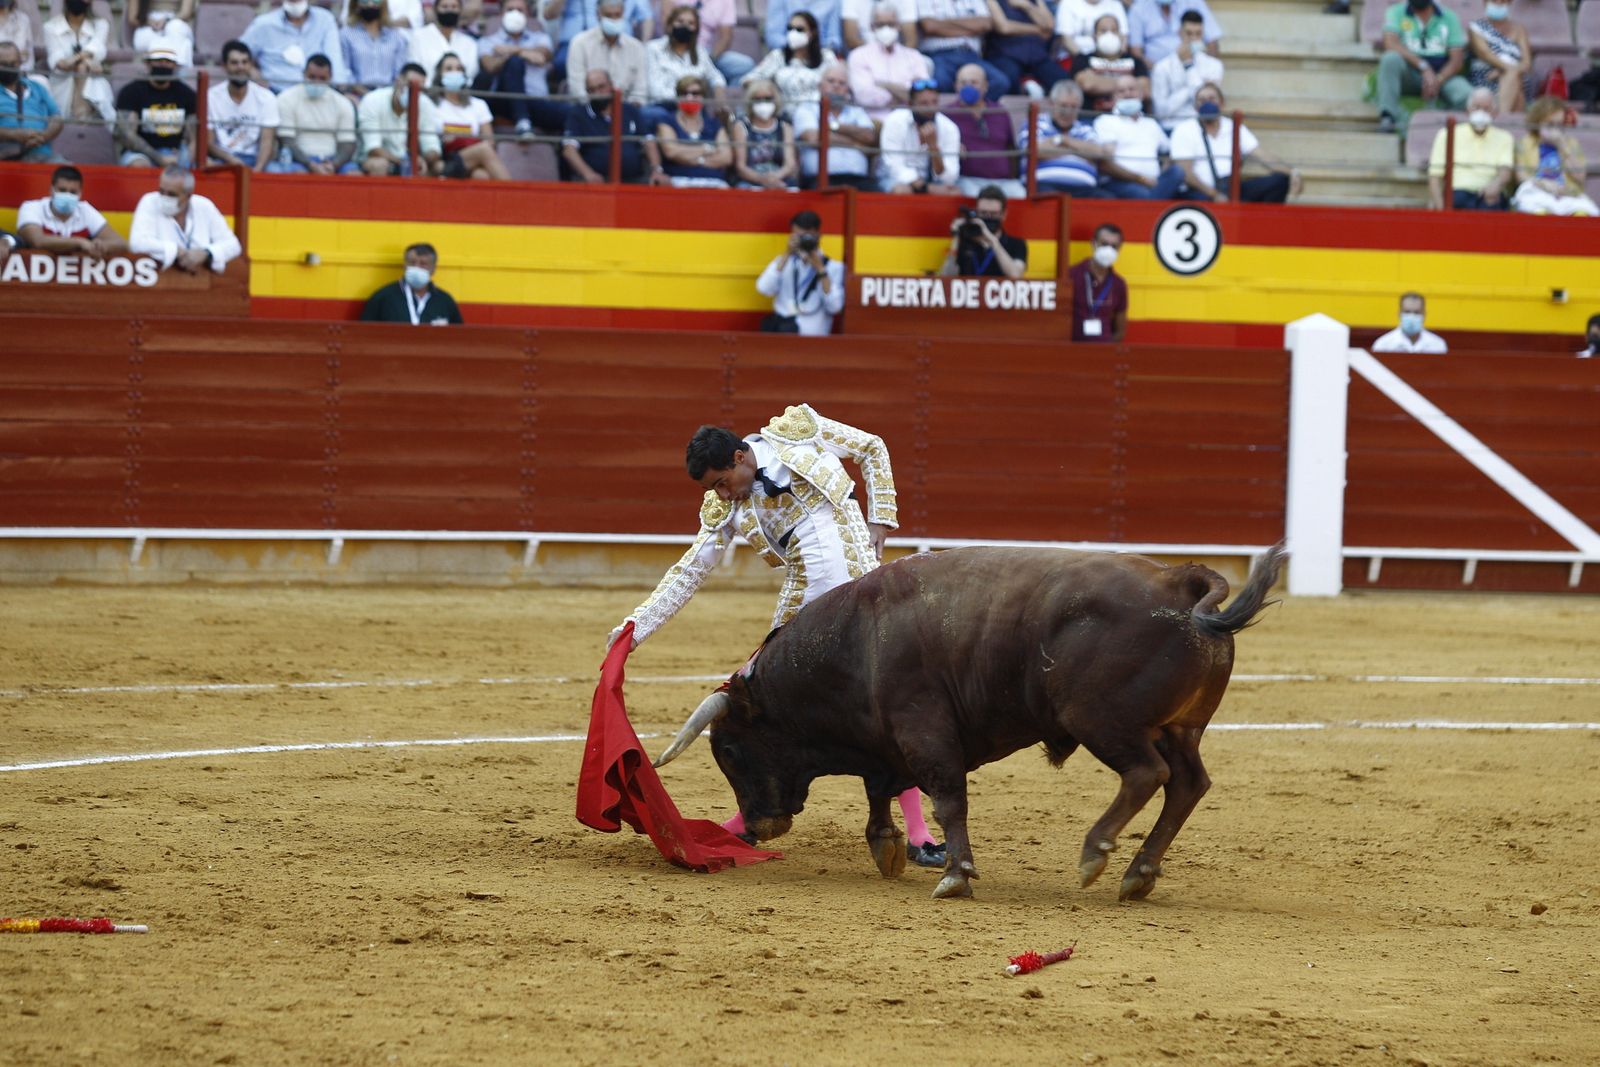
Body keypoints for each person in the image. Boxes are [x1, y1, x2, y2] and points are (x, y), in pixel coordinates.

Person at [608, 409, 947, 869]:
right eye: (714, 489)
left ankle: (920, 833)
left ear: (741, 455)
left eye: (724, 481)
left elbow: (872, 447)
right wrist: (635, 627)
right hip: (802, 610)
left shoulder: (797, 432)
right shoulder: (727, 506)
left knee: (890, 703)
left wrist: (880, 522)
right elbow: (689, 571)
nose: (723, 493)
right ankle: (754, 813)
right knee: (758, 707)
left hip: (867, 590)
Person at [1170, 82, 1299, 202]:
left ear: (1222, 103)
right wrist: (1214, 195)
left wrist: (1292, 172)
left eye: (1211, 99)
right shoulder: (1184, 129)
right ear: (1195, 107)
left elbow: (1262, 156)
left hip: (1231, 190)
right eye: (1202, 100)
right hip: (1199, 193)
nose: (1207, 103)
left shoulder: (1233, 126)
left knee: (1280, 181)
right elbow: (1185, 173)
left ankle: (1260, 225)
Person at [1375, 0, 1470, 135]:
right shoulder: (1396, 11)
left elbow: (1457, 60)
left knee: (1466, 94)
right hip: (1409, 73)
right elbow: (1391, 44)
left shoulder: (1449, 16)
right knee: (1390, 59)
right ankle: (1387, 118)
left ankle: (1444, 127)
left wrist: (1437, 79)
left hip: (1442, 76)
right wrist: (1424, 67)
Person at [560, 67, 670, 182]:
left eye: (601, 87)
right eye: (591, 90)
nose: (597, 93)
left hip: (634, 179)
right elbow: (569, 150)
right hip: (595, 182)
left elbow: (648, 141)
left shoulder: (630, 110)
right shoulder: (578, 113)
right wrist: (588, 174)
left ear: (611, 85)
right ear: (587, 92)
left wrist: (657, 170)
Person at [128, 165, 242, 274]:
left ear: (188, 195)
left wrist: (206, 253)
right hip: (160, 283)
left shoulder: (204, 206)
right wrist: (177, 251)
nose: (164, 197)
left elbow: (233, 245)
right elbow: (137, 243)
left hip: (202, 283)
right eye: (161, 191)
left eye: (172, 194)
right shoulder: (150, 201)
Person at [474, 0, 563, 139]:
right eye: (510, 10)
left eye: (520, 10)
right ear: (501, 13)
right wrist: (517, 56)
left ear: (528, 14)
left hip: (536, 101)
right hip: (504, 102)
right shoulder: (487, 41)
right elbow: (489, 66)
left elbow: (542, 56)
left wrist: (511, 50)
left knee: (571, 114)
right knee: (514, 63)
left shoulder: (541, 38)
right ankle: (522, 121)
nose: (515, 13)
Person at [1092, 74, 1184, 199]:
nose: (1127, 94)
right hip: (1120, 182)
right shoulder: (1106, 121)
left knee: (1177, 172)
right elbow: (1106, 164)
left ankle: (1154, 202)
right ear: (1114, 98)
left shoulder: (1151, 123)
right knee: (1143, 195)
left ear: (1141, 94)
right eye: (1121, 91)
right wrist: (1140, 179)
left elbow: (1169, 152)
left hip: (1153, 183)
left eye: (1132, 89)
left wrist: (1160, 173)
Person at [756, 209, 845, 334]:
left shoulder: (833, 267)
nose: (804, 242)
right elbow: (763, 289)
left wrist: (821, 269)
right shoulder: (783, 262)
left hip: (813, 343)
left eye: (807, 237)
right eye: (799, 237)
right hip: (783, 335)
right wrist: (787, 254)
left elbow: (835, 307)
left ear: (818, 236)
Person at [793, 60, 879, 190]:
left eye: (841, 83)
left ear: (847, 90)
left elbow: (869, 137)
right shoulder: (806, 108)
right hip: (820, 180)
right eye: (831, 81)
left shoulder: (857, 111)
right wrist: (854, 144)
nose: (836, 86)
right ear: (820, 86)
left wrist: (832, 126)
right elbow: (813, 138)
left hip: (859, 180)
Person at [1510, 97, 1598, 217]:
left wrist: (1562, 146)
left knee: (1583, 213)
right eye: (1550, 124)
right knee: (1537, 210)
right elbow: (1521, 176)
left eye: (1559, 125)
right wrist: (1542, 183)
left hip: (1567, 194)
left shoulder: (1571, 143)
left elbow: (1580, 177)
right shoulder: (1525, 143)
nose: (1555, 129)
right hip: (1537, 191)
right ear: (1538, 122)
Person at [1426, 86, 1511, 210]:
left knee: (1494, 200)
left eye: (1486, 109)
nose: (1481, 113)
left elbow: (1505, 172)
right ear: (1468, 110)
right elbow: (1434, 176)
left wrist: (1495, 185)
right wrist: (1441, 210)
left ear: (1495, 113)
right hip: (1457, 194)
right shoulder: (1446, 134)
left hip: (1487, 196)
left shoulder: (1505, 137)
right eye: (1476, 107)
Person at [946, 63, 1023, 198]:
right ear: (955, 86)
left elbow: (1011, 148)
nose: (968, 87)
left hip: (1003, 182)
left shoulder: (1000, 111)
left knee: (1020, 195)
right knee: (976, 198)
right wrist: (950, 146)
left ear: (985, 85)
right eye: (963, 82)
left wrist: (1012, 176)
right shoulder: (947, 114)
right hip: (967, 180)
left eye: (974, 82)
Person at [1018, 79, 1107, 195]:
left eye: (1073, 107)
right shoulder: (1035, 122)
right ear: (1052, 103)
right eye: (1063, 106)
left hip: (1085, 188)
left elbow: (1098, 153)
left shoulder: (1085, 128)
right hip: (1044, 184)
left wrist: (1063, 140)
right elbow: (1034, 150)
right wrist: (1078, 150)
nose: (1068, 112)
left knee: (1110, 202)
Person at [846, 1, 932, 120]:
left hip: (910, 120)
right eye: (880, 25)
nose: (886, 29)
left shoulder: (914, 56)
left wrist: (883, 85)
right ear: (872, 27)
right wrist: (904, 92)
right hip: (873, 120)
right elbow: (865, 97)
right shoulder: (858, 55)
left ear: (899, 26)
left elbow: (922, 94)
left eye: (891, 24)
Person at [16, 165, 126, 257]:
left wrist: (101, 246)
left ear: (80, 194)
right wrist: (79, 243)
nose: (67, 195)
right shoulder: (32, 208)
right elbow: (38, 241)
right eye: (62, 190)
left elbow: (121, 243)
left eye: (73, 192)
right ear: (51, 190)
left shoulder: (85, 210)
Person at [276, 55, 360, 174]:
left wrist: (333, 165)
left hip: (332, 159)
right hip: (299, 161)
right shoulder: (286, 99)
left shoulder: (342, 103)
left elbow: (347, 143)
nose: (316, 82)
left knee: (354, 175)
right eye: (312, 77)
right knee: (298, 176)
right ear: (304, 74)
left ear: (330, 78)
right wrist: (310, 165)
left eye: (322, 78)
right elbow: (287, 140)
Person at [433, 52, 510, 180]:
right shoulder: (433, 106)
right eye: (449, 69)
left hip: (474, 156)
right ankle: (514, 196)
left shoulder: (478, 105)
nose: (454, 73)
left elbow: (489, 140)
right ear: (439, 75)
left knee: (481, 176)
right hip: (446, 157)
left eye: (459, 69)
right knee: (484, 150)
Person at [114, 46, 194, 168]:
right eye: (158, 61)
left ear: (175, 65)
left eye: (167, 62)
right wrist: (159, 158)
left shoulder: (187, 94)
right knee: (139, 166)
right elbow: (127, 136)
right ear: (148, 64)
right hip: (141, 153)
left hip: (177, 151)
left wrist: (185, 161)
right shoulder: (131, 92)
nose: (162, 66)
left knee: (205, 166)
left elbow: (195, 137)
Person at [243, 0, 349, 92]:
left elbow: (334, 59)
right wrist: (254, 74)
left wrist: (339, 88)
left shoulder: (325, 20)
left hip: (318, 92)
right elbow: (238, 53)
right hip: (276, 92)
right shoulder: (263, 24)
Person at [358, 63, 444, 175]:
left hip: (409, 160)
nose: (414, 92)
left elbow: (432, 146)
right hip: (379, 160)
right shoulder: (372, 100)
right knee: (379, 165)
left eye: (419, 88)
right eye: (409, 85)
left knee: (435, 166)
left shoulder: (425, 104)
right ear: (398, 81)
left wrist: (425, 159)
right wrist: (406, 162)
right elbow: (373, 149)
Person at [878, 77, 960, 193]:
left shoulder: (949, 127)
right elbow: (894, 167)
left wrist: (934, 147)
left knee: (954, 193)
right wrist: (925, 187)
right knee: (903, 191)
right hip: (897, 180)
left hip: (933, 182)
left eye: (934, 102)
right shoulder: (894, 121)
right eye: (924, 103)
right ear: (911, 104)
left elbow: (950, 176)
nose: (931, 108)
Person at [208, 41, 280, 173]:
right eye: (234, 63)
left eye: (245, 62)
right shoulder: (211, 97)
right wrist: (231, 160)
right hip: (222, 159)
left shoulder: (266, 98)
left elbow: (267, 141)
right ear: (224, 66)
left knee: (278, 170)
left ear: (251, 65)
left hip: (253, 159)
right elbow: (209, 142)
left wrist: (257, 170)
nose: (240, 67)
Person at [746, 10, 836, 114]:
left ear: (812, 33)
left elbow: (839, 82)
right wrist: (771, 89)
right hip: (784, 115)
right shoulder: (778, 56)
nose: (793, 33)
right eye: (790, 28)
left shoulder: (826, 56)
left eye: (799, 29)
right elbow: (749, 80)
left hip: (817, 114)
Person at [917, 0, 1010, 98]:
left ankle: (971, 111)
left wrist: (943, 25)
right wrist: (970, 26)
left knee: (999, 82)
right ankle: (954, 110)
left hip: (970, 55)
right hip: (939, 55)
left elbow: (985, 24)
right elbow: (930, 26)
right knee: (940, 83)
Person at [44, 0, 115, 122]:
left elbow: (97, 48)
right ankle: (82, 116)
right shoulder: (50, 27)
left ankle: (81, 115)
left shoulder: (101, 24)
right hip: (62, 83)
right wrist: (86, 60)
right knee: (82, 67)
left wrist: (75, 59)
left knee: (83, 69)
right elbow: (60, 63)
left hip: (92, 79)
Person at [1150, 9, 1223, 128]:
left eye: (1198, 34)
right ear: (1180, 33)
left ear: (1203, 34)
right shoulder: (1162, 67)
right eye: (1189, 33)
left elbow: (1206, 105)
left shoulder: (1214, 65)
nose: (1193, 38)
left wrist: (1188, 66)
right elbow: (1161, 111)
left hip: (1203, 126)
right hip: (1172, 126)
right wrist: (1195, 86)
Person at [645, 5, 726, 112]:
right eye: (680, 21)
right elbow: (654, 90)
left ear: (696, 29)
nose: (685, 26)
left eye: (691, 23)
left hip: (694, 109)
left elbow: (715, 76)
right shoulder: (653, 48)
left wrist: (718, 90)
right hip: (664, 107)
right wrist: (687, 97)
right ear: (670, 25)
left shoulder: (700, 51)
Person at [566, 0, 648, 104]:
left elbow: (640, 91)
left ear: (623, 14)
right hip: (590, 110)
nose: (614, 20)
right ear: (598, 15)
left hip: (626, 111)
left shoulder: (636, 47)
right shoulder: (579, 43)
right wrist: (601, 111)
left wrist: (624, 111)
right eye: (608, 15)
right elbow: (577, 89)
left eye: (617, 15)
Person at [360, 242, 465, 324]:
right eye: (412, 262)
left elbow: (459, 338)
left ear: (433, 269)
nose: (416, 267)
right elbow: (363, 334)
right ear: (404, 265)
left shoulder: (445, 301)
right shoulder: (383, 297)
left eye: (423, 264)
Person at [655, 73, 730, 186]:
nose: (689, 97)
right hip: (677, 181)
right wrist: (707, 149)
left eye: (695, 94)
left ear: (703, 97)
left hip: (714, 183)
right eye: (684, 93)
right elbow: (671, 152)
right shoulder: (666, 121)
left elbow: (726, 157)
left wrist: (690, 157)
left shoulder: (715, 124)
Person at [939, 184, 1025, 278]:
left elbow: (1015, 275)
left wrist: (992, 240)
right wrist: (956, 238)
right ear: (976, 212)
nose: (988, 217)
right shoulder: (965, 241)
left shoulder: (1017, 244)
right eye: (983, 213)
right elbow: (945, 279)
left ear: (1003, 214)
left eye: (993, 214)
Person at [0, 42, 66, 164]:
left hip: (42, 154)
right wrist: (15, 135)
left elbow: (57, 117)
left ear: (20, 63)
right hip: (6, 157)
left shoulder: (37, 87)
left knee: (70, 174)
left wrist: (44, 136)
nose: (9, 67)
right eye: (3, 64)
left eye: (13, 63)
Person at [1070, 15, 1149, 114]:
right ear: (1094, 36)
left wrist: (1099, 81)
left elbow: (1144, 90)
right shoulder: (1083, 60)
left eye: (1114, 30)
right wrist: (1130, 85)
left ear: (1120, 35)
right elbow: (1088, 84)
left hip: (1132, 117)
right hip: (1093, 118)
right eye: (1103, 31)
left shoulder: (1135, 61)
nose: (1109, 35)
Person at [985, 0, 1064, 98]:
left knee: (1063, 82)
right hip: (1005, 53)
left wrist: (1027, 6)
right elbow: (1004, 27)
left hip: (1037, 56)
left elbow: (1049, 25)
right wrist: (1037, 30)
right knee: (1009, 78)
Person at [732, 78, 798, 189]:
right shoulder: (741, 126)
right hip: (751, 181)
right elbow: (741, 166)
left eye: (768, 98)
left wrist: (774, 179)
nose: (763, 102)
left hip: (780, 179)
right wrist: (763, 180)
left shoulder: (785, 127)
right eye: (758, 99)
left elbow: (790, 164)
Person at [1467, 1, 1531, 115]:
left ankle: (1503, 120)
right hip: (1487, 76)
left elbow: (1527, 62)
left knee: (1515, 79)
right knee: (1517, 88)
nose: (1498, 3)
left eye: (1502, 1)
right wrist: (1507, 69)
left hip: (1514, 74)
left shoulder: (1519, 29)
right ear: (1485, 2)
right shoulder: (1476, 27)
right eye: (1494, 0)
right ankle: (1506, 120)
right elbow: (1485, 53)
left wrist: (1505, 70)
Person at [1066, 221, 1126, 341]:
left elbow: (1120, 331)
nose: (1108, 250)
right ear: (1093, 243)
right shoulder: (1071, 275)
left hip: (1103, 353)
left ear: (1119, 249)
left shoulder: (1119, 284)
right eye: (1104, 244)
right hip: (1072, 351)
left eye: (1114, 246)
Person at [341, 0, 410, 94]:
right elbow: (345, 71)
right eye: (365, 1)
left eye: (375, 1)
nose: (370, 4)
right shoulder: (346, 35)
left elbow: (400, 72)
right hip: (356, 96)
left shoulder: (396, 37)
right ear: (356, 4)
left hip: (389, 95)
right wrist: (363, 92)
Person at [1126, 0, 1220, 66]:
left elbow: (1212, 41)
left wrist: (1208, 68)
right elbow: (1136, 51)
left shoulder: (1194, 2)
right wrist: (1161, 71)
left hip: (1194, 69)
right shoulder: (1139, 7)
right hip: (1154, 72)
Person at [410, 0, 479, 82]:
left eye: (454, 7)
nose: (449, 10)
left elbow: (471, 74)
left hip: (460, 92)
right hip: (426, 92)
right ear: (435, 10)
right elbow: (414, 69)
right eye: (444, 7)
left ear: (460, 10)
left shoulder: (470, 43)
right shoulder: (418, 37)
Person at [1371, 291, 1448, 353]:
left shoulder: (1437, 345)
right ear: (1399, 313)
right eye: (1407, 312)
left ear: (1424, 314)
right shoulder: (1383, 345)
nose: (1412, 316)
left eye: (1416, 312)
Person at [129, 0, 194, 70]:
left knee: (176, 28)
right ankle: (157, 74)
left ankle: (178, 73)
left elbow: (186, 12)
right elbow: (133, 17)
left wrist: (167, 20)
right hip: (148, 23)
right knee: (145, 38)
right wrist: (148, 21)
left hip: (176, 19)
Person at [765, 0, 843, 54]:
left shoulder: (834, 1)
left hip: (820, 58)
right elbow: (773, 38)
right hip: (785, 55)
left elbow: (834, 40)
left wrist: (813, 53)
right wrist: (798, 49)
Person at [1054, 0, 1126, 57]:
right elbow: (1066, 40)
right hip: (1073, 57)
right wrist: (1084, 60)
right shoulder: (1068, 3)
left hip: (1110, 59)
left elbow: (1123, 39)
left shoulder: (1115, 5)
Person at [842, 0, 916, 52]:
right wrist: (877, 54)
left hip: (898, 54)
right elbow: (851, 39)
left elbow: (911, 41)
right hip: (864, 54)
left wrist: (896, 56)